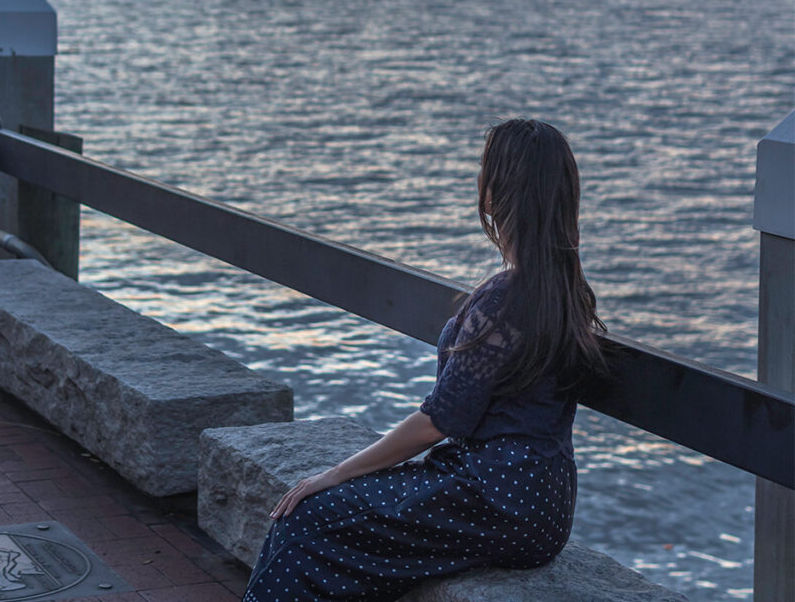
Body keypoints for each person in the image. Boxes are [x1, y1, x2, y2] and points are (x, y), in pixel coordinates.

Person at [243, 118, 608, 602]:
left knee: (308, 517)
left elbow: (440, 420)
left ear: (499, 190)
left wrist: (336, 472)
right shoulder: (566, 288)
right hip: (542, 502)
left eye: (484, 170)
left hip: (491, 495)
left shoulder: (506, 295)